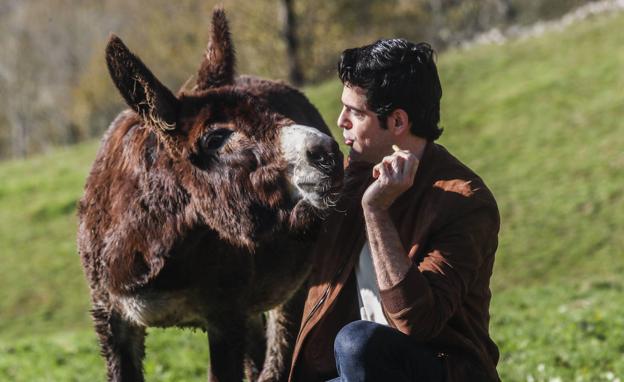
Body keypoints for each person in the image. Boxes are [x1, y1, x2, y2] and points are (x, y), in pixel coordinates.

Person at [288, 39, 501, 382]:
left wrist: (375, 210)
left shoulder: (465, 202)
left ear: (398, 121)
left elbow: (418, 321)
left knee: (357, 343)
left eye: (356, 113)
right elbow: (289, 241)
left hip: (440, 370)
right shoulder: (349, 177)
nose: (340, 121)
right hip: (351, 375)